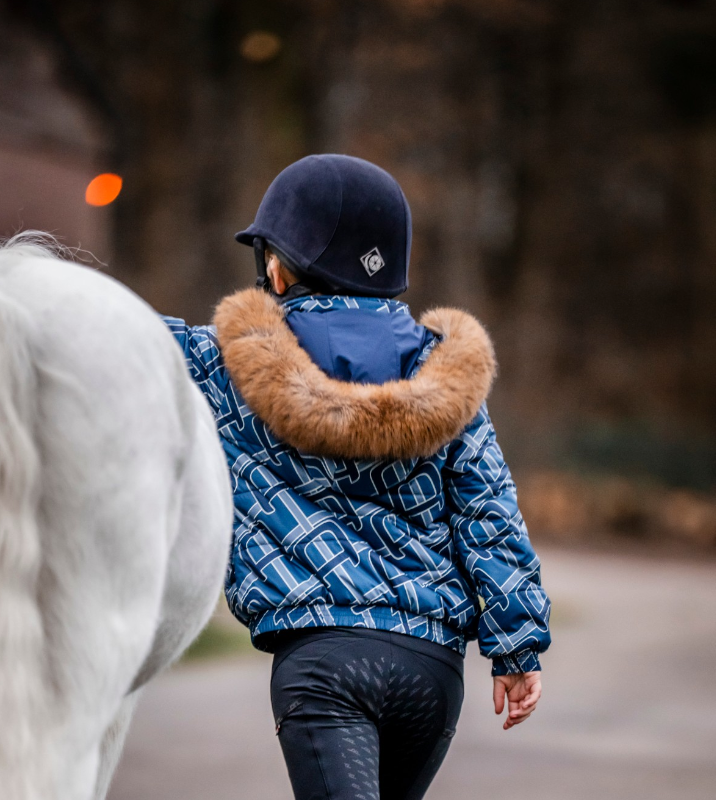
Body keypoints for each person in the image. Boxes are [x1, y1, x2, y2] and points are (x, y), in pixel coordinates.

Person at [162, 154, 551, 800]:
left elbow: (122, 344)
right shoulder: (444, 375)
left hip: (323, 665)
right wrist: (517, 649)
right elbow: (490, 515)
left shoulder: (227, 362)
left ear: (279, 268)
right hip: (431, 672)